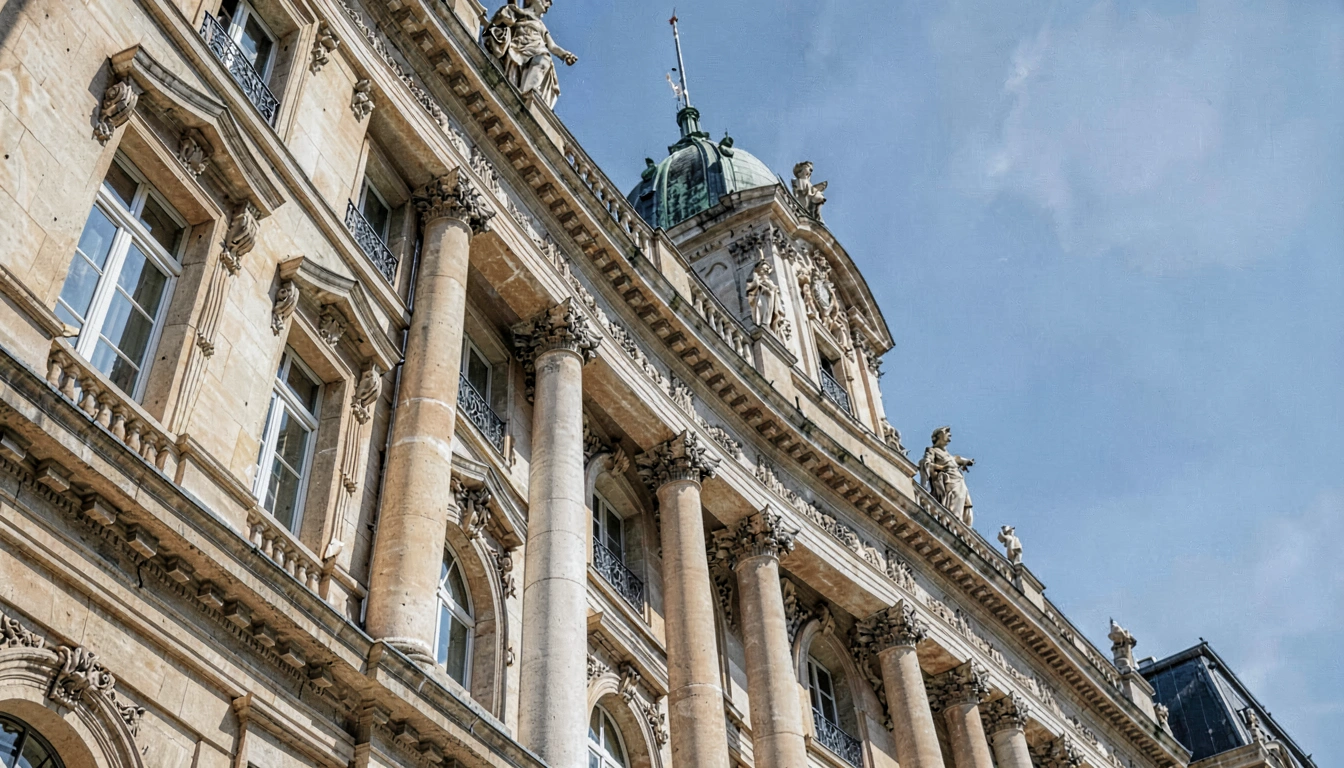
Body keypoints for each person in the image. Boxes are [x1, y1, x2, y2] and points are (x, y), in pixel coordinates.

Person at [484, 0, 577, 108]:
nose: (548, 5)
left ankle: (526, 97)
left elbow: (552, 46)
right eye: (546, 0)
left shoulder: (541, 25)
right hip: (517, 48)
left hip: (537, 49)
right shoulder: (516, 12)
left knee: (544, 60)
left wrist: (566, 55)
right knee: (542, 60)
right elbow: (497, 24)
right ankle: (524, 99)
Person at [919, 426, 975, 525]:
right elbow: (926, 463)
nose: (949, 436)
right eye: (946, 434)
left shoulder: (948, 455)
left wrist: (966, 462)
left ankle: (957, 523)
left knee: (962, 499)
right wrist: (940, 468)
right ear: (938, 436)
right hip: (948, 480)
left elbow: (957, 459)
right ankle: (952, 522)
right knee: (955, 497)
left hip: (958, 479)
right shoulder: (932, 450)